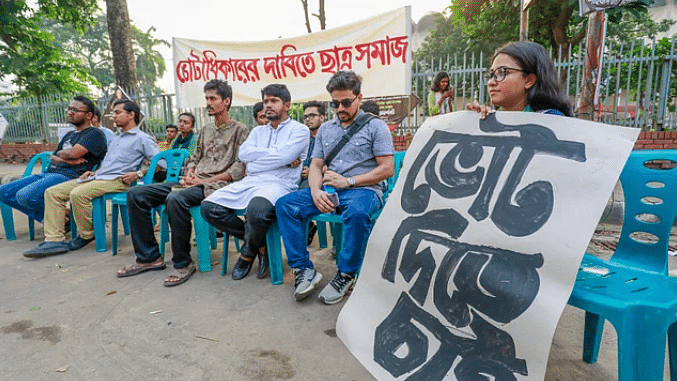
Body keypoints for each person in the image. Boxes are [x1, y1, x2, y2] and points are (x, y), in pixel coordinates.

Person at [275, 70, 394, 305]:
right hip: (329, 190)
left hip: (364, 190)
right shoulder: (327, 129)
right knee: (284, 205)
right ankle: (303, 269)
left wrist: (349, 182)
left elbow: (387, 168)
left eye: (346, 102)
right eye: (335, 103)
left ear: (359, 98)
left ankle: (346, 274)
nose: (340, 108)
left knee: (358, 213)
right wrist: (315, 191)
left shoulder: (375, 127)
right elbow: (316, 165)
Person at [117, 79, 249, 287]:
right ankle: (149, 257)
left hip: (216, 186)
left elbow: (238, 170)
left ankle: (183, 263)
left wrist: (203, 180)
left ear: (226, 101)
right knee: (137, 194)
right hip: (192, 182)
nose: (208, 102)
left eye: (213, 98)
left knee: (176, 198)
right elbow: (195, 158)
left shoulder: (240, 130)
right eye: (207, 98)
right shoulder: (205, 130)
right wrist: (189, 172)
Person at [23, 99, 159, 258]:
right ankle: (54, 240)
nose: (113, 116)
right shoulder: (116, 137)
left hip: (118, 181)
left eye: (117, 113)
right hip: (99, 177)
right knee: (52, 192)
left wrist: (138, 174)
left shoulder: (142, 138)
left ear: (131, 115)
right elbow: (111, 162)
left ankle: (87, 234)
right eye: (113, 113)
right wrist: (96, 172)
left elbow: (160, 163)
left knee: (78, 194)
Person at [201, 84, 309, 281]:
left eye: (274, 101)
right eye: (266, 101)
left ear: (287, 105)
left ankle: (246, 254)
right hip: (251, 181)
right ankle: (260, 243)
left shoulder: (299, 130)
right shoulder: (258, 132)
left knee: (256, 211)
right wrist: (278, 159)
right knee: (209, 207)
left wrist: (259, 162)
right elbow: (244, 154)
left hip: (280, 185)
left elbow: (281, 156)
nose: (268, 105)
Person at [0, 95, 107, 224]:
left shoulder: (94, 134)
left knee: (25, 196)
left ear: (89, 115)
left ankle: (56, 219)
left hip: (70, 176)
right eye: (69, 109)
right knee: (3, 192)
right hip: (50, 173)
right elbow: (53, 158)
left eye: (75, 110)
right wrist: (66, 159)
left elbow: (73, 154)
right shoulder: (69, 135)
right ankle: (62, 218)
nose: (70, 112)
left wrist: (64, 156)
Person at [466, 41, 573, 118]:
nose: (491, 82)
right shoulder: (490, 117)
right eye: (492, 74)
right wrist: (474, 122)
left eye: (502, 72)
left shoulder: (551, 120)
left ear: (529, 80)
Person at [300, 100, 326, 246]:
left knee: (303, 193)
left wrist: (315, 170)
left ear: (322, 117)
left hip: (320, 181)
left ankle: (305, 231)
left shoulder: (330, 136)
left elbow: (336, 164)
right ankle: (309, 228)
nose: (308, 119)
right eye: (305, 117)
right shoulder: (304, 138)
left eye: (312, 115)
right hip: (300, 178)